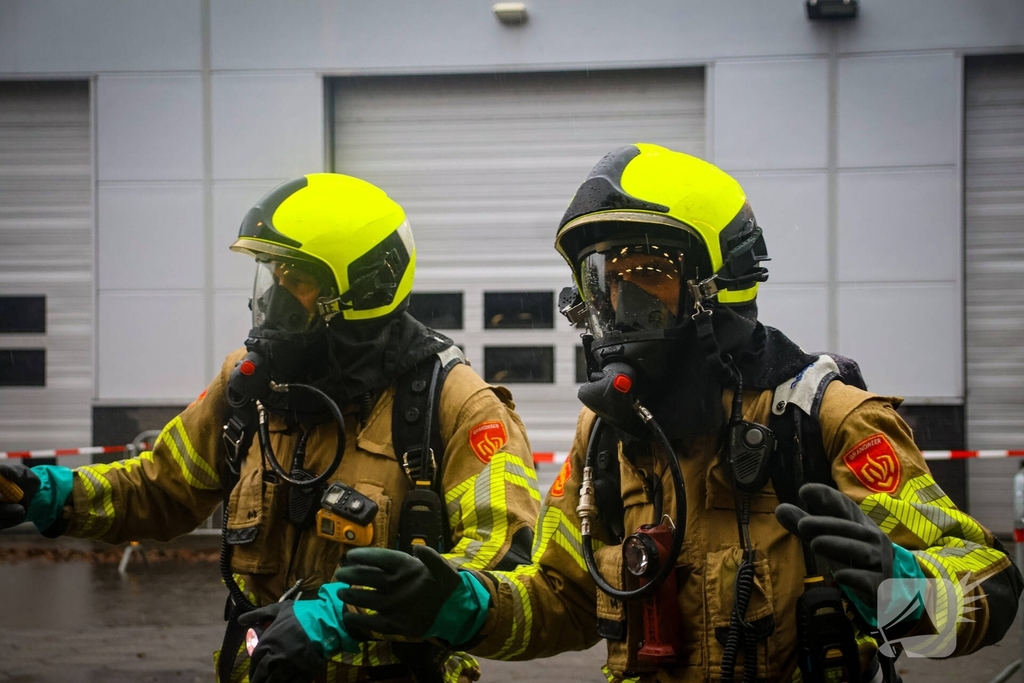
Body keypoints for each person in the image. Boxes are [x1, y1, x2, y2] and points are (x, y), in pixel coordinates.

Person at [297, 145, 1023, 683]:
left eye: (649, 274)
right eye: (605, 280)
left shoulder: (824, 418)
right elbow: (561, 599)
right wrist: (454, 604)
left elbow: (989, 579)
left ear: (720, 282)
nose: (620, 306)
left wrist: (902, 591)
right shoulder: (610, 436)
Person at [0, 173, 541, 683]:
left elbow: (501, 560)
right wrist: (51, 493)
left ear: (365, 291)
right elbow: (161, 487)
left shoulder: (455, 404)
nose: (275, 298)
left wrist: (344, 612)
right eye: (273, 276)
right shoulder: (251, 385)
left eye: (298, 280)